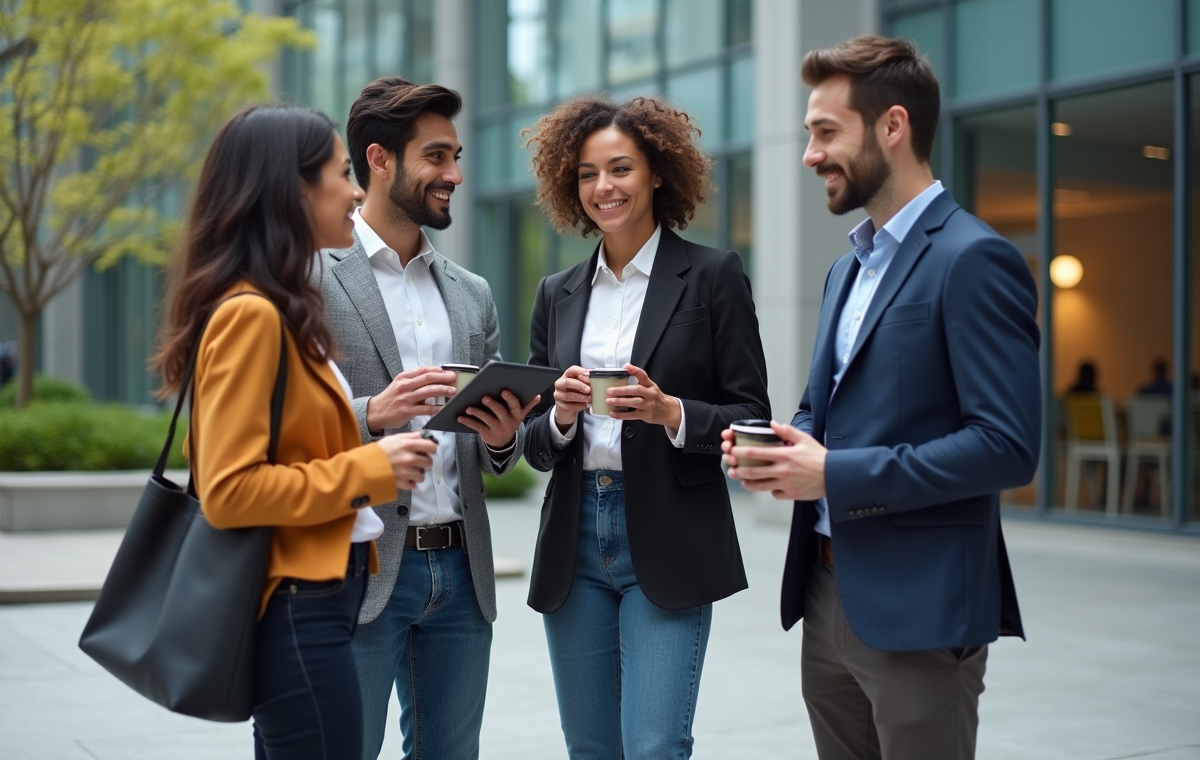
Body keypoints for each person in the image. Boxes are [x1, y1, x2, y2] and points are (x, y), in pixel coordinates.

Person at [722, 36, 1040, 760]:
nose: (810, 154)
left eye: (825, 132)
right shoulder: (847, 268)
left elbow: (1007, 446)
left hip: (921, 611)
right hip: (826, 592)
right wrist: (777, 448)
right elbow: (820, 411)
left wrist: (832, 473)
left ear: (892, 126)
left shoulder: (974, 258)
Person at [152, 105, 439, 760]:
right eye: (342, 172)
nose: (358, 191)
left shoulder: (278, 309)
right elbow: (229, 491)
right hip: (295, 606)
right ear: (292, 187)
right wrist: (372, 469)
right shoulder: (251, 315)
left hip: (316, 599)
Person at [521, 96, 771, 760]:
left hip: (667, 536)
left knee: (656, 745)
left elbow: (752, 419)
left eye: (621, 168)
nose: (603, 187)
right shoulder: (557, 293)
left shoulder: (714, 277)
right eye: (586, 174)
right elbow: (534, 445)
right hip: (575, 541)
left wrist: (674, 413)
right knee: (591, 749)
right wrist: (564, 417)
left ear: (657, 172)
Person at [314, 77, 536, 760]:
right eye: (436, 157)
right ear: (380, 160)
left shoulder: (472, 295)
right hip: (361, 563)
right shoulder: (311, 275)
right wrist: (372, 414)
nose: (455, 175)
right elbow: (280, 414)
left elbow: (501, 448)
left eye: (456, 156)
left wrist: (505, 438)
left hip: (462, 574)